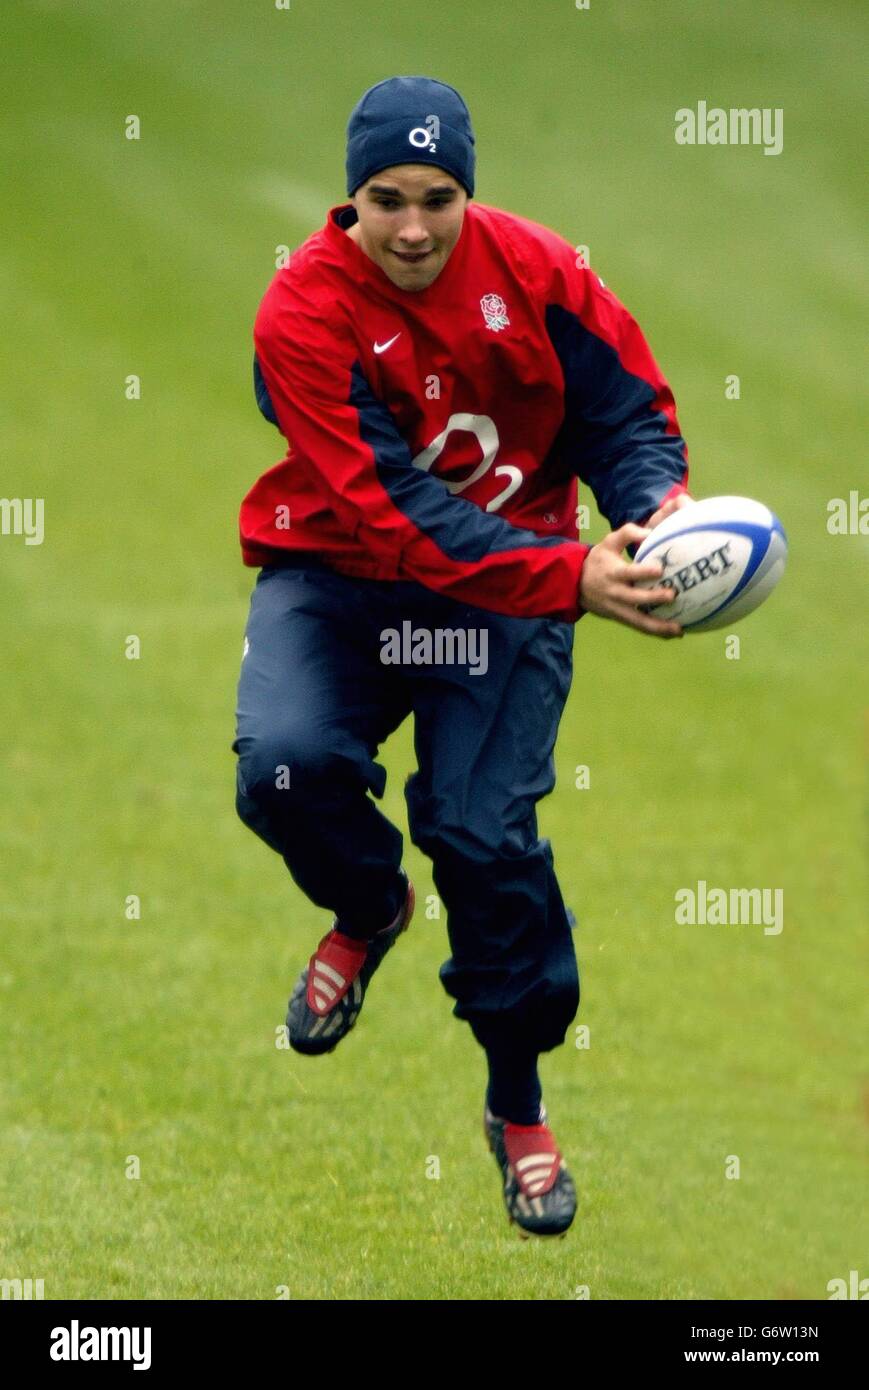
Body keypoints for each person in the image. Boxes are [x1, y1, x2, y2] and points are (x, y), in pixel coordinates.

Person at [233, 75, 692, 1238]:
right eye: (384, 198)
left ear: (466, 192)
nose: (412, 228)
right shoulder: (300, 312)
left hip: (503, 600)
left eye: (437, 199)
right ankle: (369, 904)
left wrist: (652, 516)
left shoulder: (539, 272)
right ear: (350, 196)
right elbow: (392, 515)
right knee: (282, 767)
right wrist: (570, 576)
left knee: (482, 836)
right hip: (343, 577)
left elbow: (626, 414)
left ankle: (516, 1107)